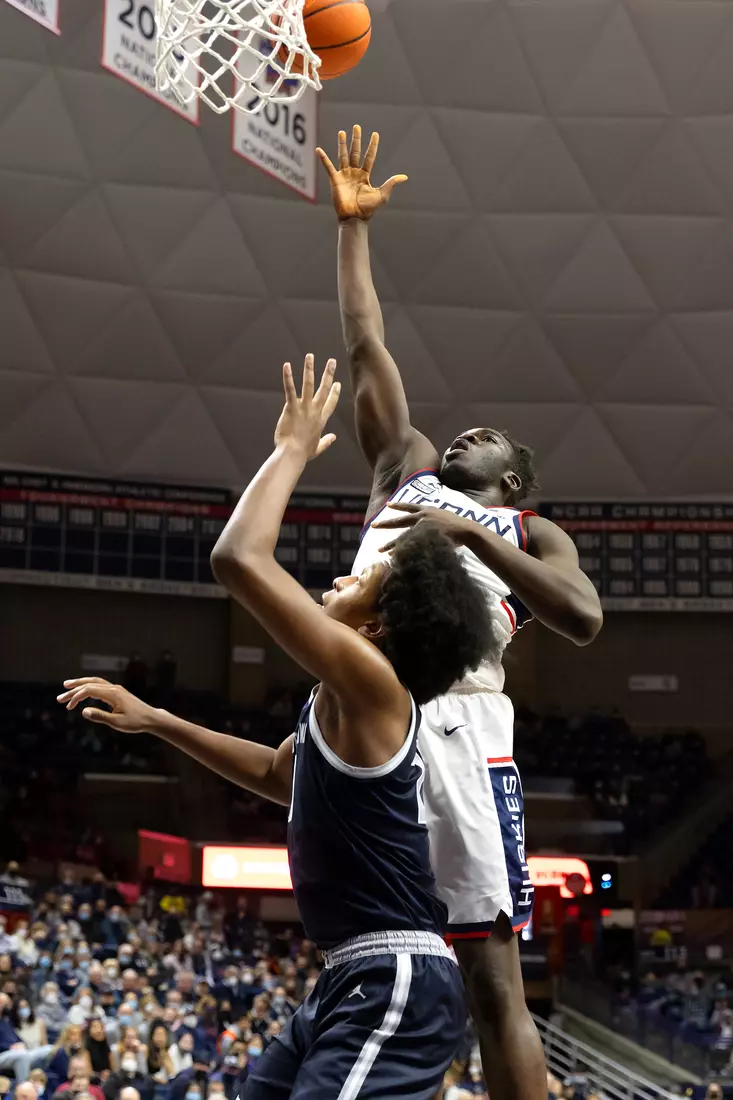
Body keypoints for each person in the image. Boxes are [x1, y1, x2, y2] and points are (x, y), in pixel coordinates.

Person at [58, 356, 497, 1100]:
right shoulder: (349, 701)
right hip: (351, 977)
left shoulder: (372, 685)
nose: (343, 578)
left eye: (365, 580)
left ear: (381, 624)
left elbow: (237, 558)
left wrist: (293, 447)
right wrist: (159, 720)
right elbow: (273, 774)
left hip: (394, 977)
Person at [317, 124, 604, 1100]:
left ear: (514, 476)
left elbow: (582, 617)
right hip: (359, 696)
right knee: (365, 951)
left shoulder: (529, 527)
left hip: (459, 716)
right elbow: (366, 346)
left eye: (491, 436)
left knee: (490, 978)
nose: (467, 427)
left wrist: (478, 540)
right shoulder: (405, 465)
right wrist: (352, 232)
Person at [0, 993, 54, 1083]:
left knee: (49, 1049)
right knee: (22, 1055)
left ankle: (41, 1083)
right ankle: (24, 1087)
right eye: (2, 1003)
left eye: (6, 1003)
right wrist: (10, 1047)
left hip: (17, 1052)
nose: (4, 1006)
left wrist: (22, 1044)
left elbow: (17, 1038)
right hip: (4, 1054)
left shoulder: (5, 1021)